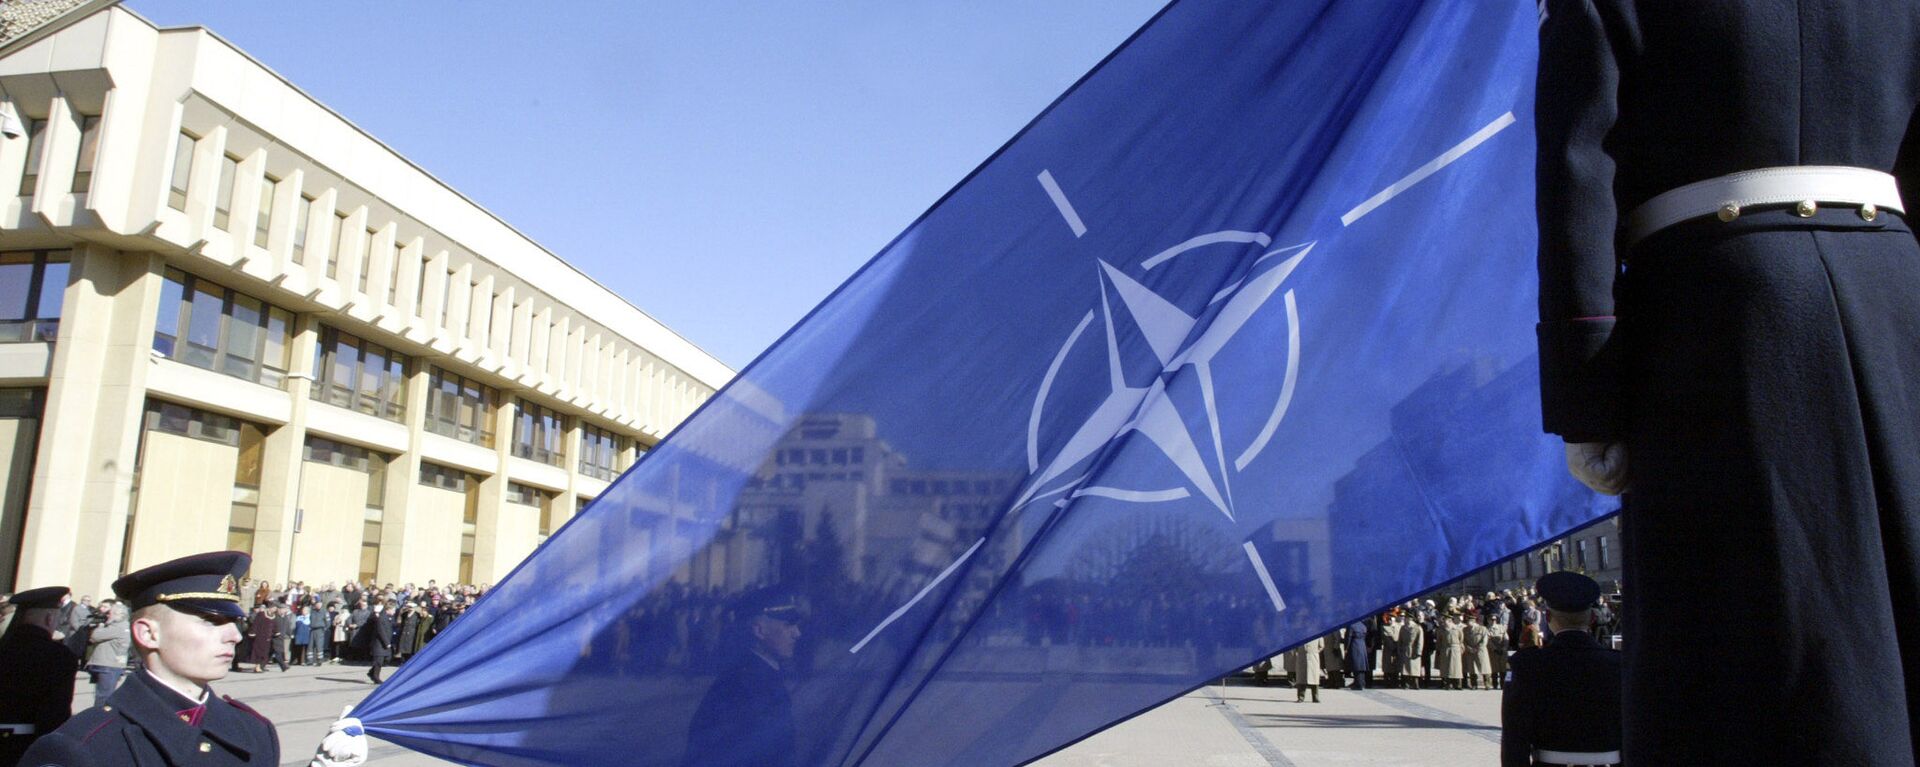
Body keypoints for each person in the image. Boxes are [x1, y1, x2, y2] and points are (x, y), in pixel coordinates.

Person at [1537, 1, 1920, 762]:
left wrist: (1589, 398)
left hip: (1716, 312)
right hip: (1895, 299)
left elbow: (1580, 167)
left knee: (1729, 662)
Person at [18, 551, 368, 767]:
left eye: (234, 621)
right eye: (211, 621)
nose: (233, 635)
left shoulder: (253, 730)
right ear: (147, 633)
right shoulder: (82, 748)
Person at [1500, 572, 1620, 767]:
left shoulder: (1527, 664)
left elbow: (1515, 738)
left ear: (1547, 617)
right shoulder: (1618, 664)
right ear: (1591, 619)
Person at [683, 590, 803, 767]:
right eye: (789, 625)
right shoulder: (747, 686)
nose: (797, 633)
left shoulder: (756, 676)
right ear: (759, 630)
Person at [0, 586, 78, 766]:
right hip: (23, 747)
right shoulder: (58, 656)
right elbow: (55, 714)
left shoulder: (5, 648)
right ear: (50, 618)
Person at [84, 601, 132, 700]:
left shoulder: (117, 627)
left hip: (108, 666)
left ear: (117, 614)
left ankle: (99, 715)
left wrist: (100, 626)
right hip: (109, 665)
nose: (108, 615)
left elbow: (95, 636)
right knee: (103, 694)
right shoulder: (121, 626)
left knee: (103, 696)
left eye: (110, 613)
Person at [361, 602, 393, 684]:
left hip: (384, 643)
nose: (394, 611)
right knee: (379, 661)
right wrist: (387, 643)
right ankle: (376, 677)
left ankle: (371, 673)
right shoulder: (381, 618)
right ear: (388, 610)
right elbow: (381, 631)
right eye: (393, 610)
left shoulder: (388, 617)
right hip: (379, 643)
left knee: (384, 659)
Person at [1288, 635, 1324, 703]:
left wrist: (1314, 652)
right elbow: (1294, 646)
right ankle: (1301, 697)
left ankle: (1315, 697)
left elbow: (1321, 646)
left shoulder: (1318, 634)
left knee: (1314, 679)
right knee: (1301, 678)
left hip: (1313, 657)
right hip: (1302, 657)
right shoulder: (1299, 634)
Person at [1346, 620, 1370, 690]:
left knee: (1356, 665)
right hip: (1362, 645)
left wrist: (1346, 648)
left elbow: (1348, 637)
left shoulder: (1351, 626)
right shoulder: (1363, 626)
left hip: (1355, 645)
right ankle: (1362, 682)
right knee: (1361, 665)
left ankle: (1358, 684)